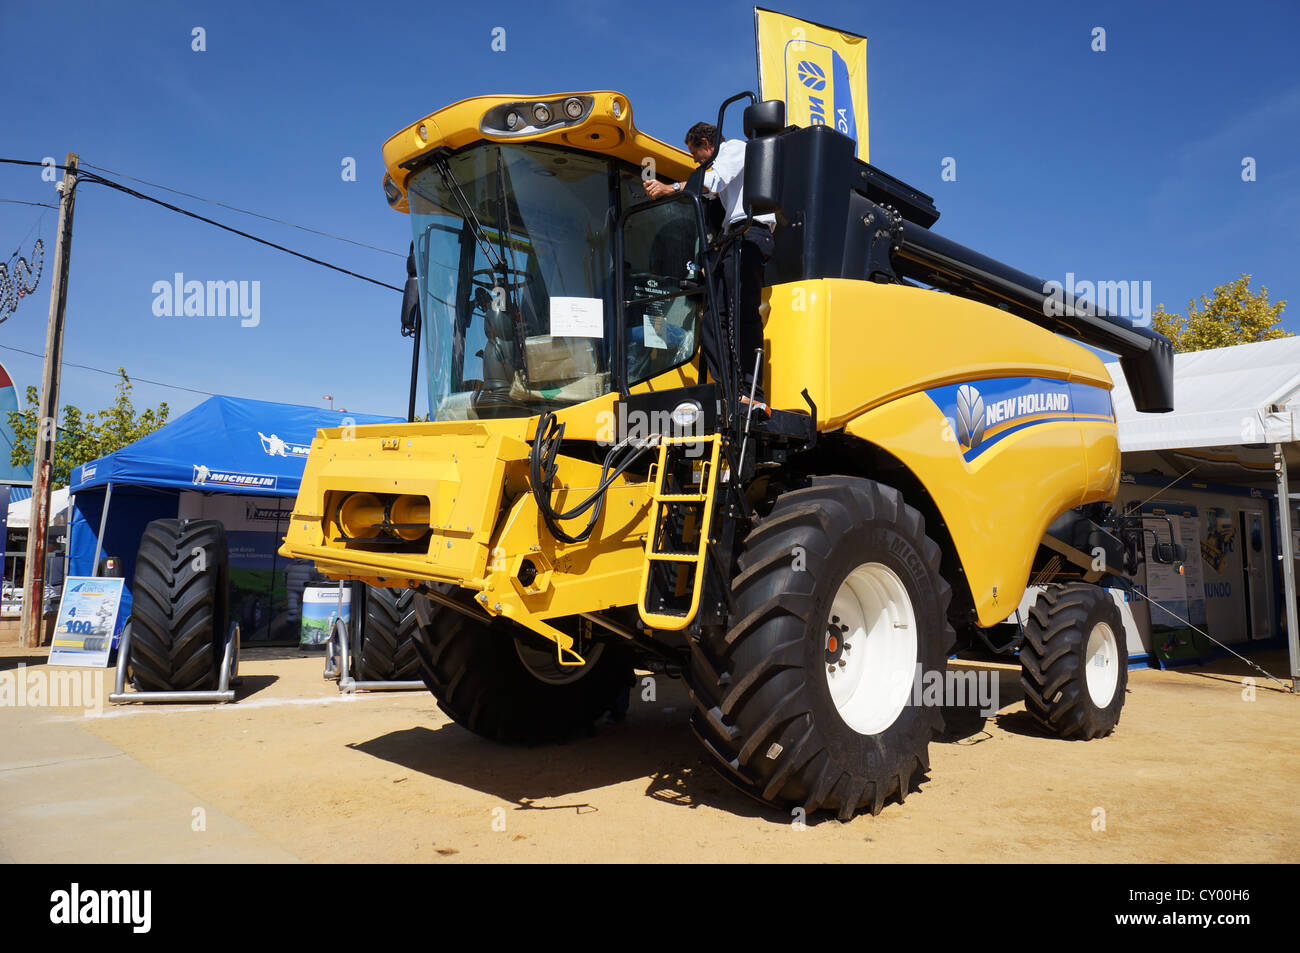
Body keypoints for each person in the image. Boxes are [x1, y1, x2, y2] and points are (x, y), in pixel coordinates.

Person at [645, 122, 775, 409]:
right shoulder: (720, 165)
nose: (697, 162)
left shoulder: (736, 150)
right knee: (714, 321)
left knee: (740, 314)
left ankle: (752, 393)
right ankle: (725, 387)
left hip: (751, 234)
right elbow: (706, 193)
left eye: (697, 156)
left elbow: (713, 182)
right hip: (733, 239)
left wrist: (670, 188)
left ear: (707, 143)